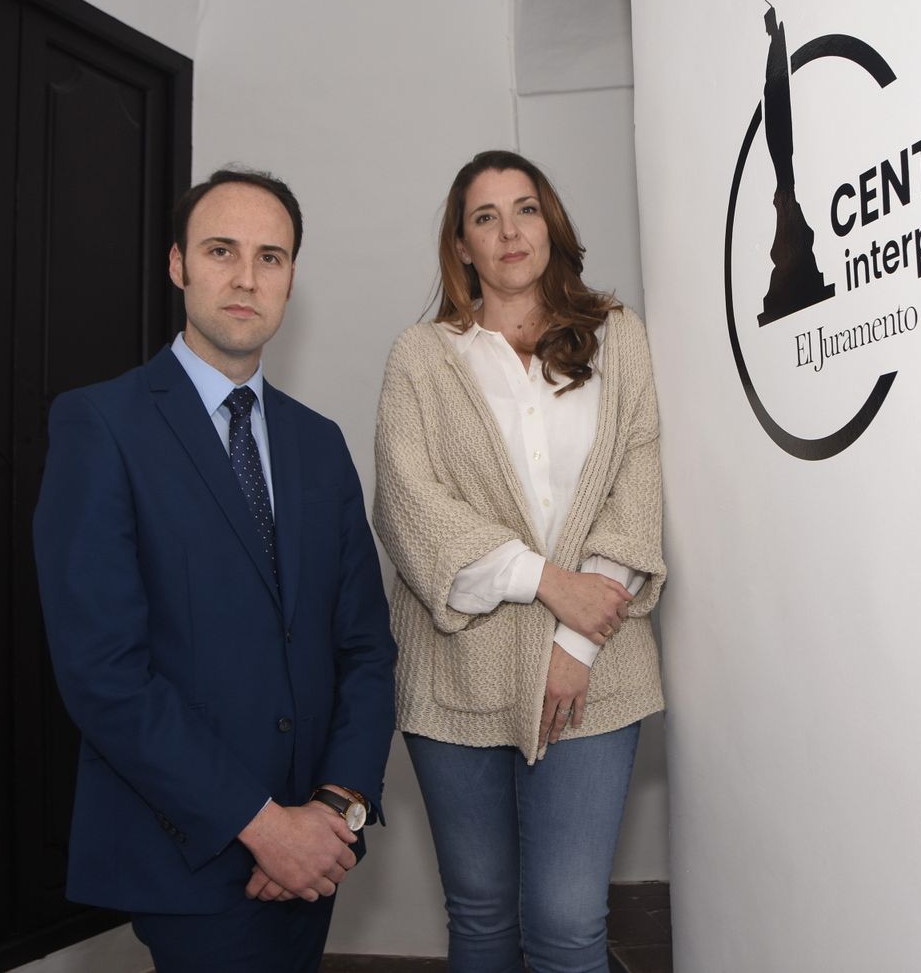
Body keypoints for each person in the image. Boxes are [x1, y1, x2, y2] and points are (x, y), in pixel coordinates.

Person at [33, 167, 396, 973]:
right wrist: (266, 826)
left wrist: (336, 809)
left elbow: (366, 647)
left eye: (271, 257)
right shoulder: (101, 424)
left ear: (292, 277)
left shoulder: (319, 442)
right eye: (222, 250)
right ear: (178, 264)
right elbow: (104, 671)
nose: (245, 277)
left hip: (316, 853)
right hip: (186, 852)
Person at [373, 150, 666, 973]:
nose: (509, 230)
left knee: (569, 926)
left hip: (597, 670)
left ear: (551, 222)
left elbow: (637, 489)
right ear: (461, 245)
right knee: (482, 918)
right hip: (455, 671)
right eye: (485, 216)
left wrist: (574, 643)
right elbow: (407, 506)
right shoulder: (422, 357)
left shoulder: (618, 335)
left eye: (525, 208)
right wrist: (547, 583)